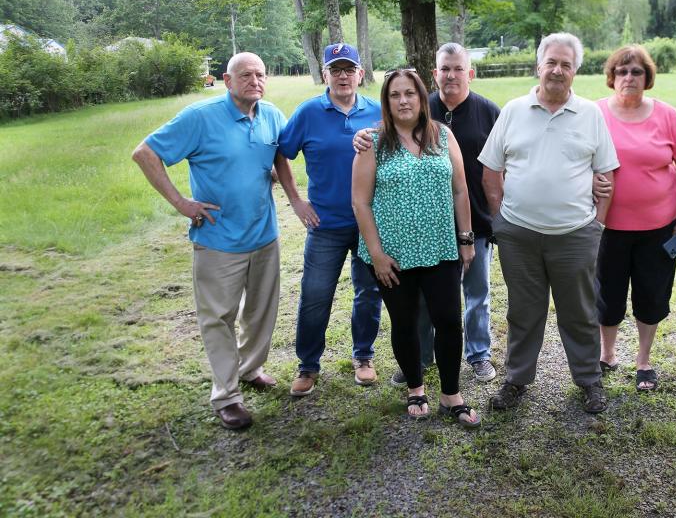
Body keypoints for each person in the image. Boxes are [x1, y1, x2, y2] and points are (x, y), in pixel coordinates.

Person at [132, 52, 295, 430]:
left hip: (263, 235)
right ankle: (227, 395)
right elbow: (145, 153)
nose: (255, 81)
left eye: (260, 74)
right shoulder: (199, 118)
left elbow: (277, 159)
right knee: (217, 318)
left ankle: (251, 369)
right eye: (246, 75)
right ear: (227, 79)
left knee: (260, 312)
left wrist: (270, 177)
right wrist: (181, 203)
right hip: (218, 240)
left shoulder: (271, 114)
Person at [479, 32, 619, 414]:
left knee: (580, 311)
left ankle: (589, 379)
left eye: (566, 64)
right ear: (538, 65)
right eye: (551, 62)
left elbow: (607, 174)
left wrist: (597, 226)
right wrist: (501, 220)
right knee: (523, 311)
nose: (558, 70)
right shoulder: (513, 110)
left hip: (575, 234)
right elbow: (491, 171)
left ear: (576, 71)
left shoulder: (590, 113)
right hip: (518, 235)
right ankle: (516, 380)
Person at [354, 43, 501, 384]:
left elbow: (490, 171)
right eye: (445, 69)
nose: (451, 75)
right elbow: (379, 139)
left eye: (458, 69)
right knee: (419, 303)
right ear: (434, 76)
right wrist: (362, 136)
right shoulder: (419, 107)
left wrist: (488, 221)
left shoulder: (488, 112)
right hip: (418, 236)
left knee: (475, 295)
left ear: (469, 73)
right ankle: (420, 359)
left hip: (472, 224)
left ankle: (478, 355)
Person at [278, 43, 384, 397]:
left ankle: (364, 356)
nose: (342, 76)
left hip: (369, 222)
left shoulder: (377, 110)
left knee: (369, 293)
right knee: (315, 295)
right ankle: (308, 366)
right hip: (326, 225)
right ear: (325, 74)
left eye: (348, 69)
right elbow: (282, 154)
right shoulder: (309, 112)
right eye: (335, 69)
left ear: (360, 73)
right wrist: (296, 200)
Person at [593, 45, 676, 392]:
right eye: (622, 72)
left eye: (636, 71)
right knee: (607, 295)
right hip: (607, 229)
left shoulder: (667, 115)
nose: (628, 78)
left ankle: (644, 360)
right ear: (611, 77)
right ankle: (607, 354)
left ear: (647, 77)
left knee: (652, 294)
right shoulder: (595, 114)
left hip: (659, 229)